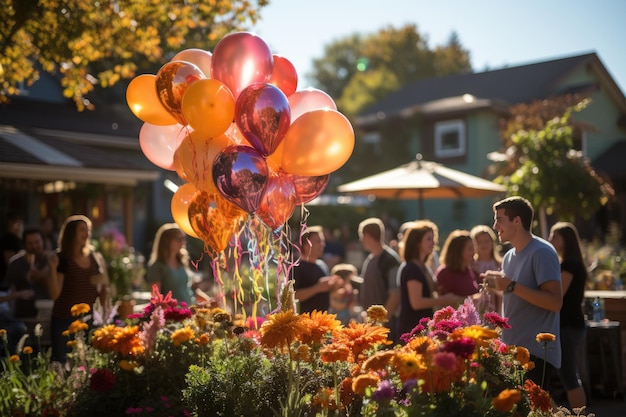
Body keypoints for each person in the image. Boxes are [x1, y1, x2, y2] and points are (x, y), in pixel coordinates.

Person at [482, 196, 562, 392]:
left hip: (535, 355)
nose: (494, 226)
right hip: (512, 351)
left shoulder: (542, 252)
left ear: (517, 221)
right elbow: (515, 291)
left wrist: (510, 286)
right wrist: (495, 285)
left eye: (499, 219)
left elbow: (555, 302)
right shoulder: (509, 255)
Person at [48, 215, 110, 363]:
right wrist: (51, 269)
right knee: (63, 365)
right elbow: (55, 294)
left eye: (88, 229)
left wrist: (105, 314)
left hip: (90, 320)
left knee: (88, 364)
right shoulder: (62, 259)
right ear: (71, 234)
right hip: (65, 321)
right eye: (82, 230)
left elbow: (104, 287)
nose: (87, 233)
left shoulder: (95, 257)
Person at [396, 221, 462, 340]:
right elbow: (416, 303)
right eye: (428, 239)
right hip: (412, 330)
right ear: (417, 243)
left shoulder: (423, 267)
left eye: (433, 238)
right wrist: (443, 300)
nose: (433, 242)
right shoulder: (412, 269)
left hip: (421, 328)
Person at [548, 221, 588, 409]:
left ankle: (580, 414)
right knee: (568, 375)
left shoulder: (570, 264)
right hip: (572, 324)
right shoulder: (571, 262)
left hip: (568, 325)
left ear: (566, 240)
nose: (550, 239)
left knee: (569, 376)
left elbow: (558, 293)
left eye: (554, 236)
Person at [358, 218, 401, 340]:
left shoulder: (390, 260)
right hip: (372, 324)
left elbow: (395, 294)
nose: (361, 240)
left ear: (366, 236)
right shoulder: (370, 259)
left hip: (386, 326)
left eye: (362, 236)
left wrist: (381, 321)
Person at [292, 226, 343, 313]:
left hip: (323, 320)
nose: (322, 244)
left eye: (323, 241)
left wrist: (333, 286)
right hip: (305, 321)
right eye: (318, 241)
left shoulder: (322, 265)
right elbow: (293, 296)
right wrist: (317, 288)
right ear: (306, 244)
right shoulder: (297, 266)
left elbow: (325, 292)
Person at [4, 227, 52, 319]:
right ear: (24, 244)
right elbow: (8, 290)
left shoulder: (52, 260)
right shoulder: (15, 263)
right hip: (23, 315)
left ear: (43, 242)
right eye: (30, 243)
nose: (34, 246)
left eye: (37, 242)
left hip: (48, 311)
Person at [145, 223, 195, 306]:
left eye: (183, 239)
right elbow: (156, 298)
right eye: (179, 239)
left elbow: (186, 289)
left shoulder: (181, 261)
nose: (183, 242)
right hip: (173, 315)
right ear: (167, 241)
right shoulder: (157, 266)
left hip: (189, 311)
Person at [434, 229, 479, 298]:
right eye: (470, 249)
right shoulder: (444, 273)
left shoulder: (467, 270)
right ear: (458, 251)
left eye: (474, 248)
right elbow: (444, 302)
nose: (474, 252)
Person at [470, 224, 503, 312]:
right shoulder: (472, 265)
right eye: (479, 242)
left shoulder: (500, 264)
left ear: (492, 242)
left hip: (499, 308)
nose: (483, 244)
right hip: (479, 309)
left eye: (487, 241)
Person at [0, 212, 24, 284]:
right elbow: (9, 260)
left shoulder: (18, 238)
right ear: (11, 223)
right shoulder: (8, 238)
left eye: (21, 223)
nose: (20, 226)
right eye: (17, 223)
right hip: (7, 277)